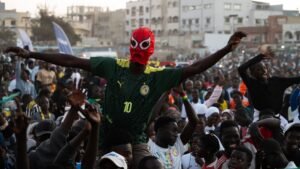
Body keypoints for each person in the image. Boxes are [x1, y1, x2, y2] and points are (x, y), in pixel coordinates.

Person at [5, 28, 246, 168]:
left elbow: (195, 68)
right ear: (130, 53)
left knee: (153, 166)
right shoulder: (113, 66)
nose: (137, 65)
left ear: (149, 55)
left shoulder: (158, 75)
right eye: (135, 60)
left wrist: (225, 50)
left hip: (136, 140)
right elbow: (73, 61)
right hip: (104, 135)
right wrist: (31, 53)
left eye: (141, 62)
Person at [238, 45, 300, 121]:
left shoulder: (277, 81)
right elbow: (241, 69)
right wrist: (260, 56)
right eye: (258, 70)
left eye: (264, 68)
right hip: (259, 118)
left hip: (277, 117)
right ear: (253, 73)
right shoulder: (252, 83)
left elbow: (296, 79)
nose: (263, 71)